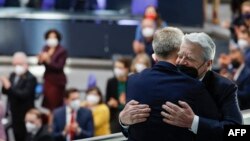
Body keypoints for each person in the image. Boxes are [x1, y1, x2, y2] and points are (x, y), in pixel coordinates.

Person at [120, 32, 243, 141]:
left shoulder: (225, 88)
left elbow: (239, 133)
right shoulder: (166, 78)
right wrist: (123, 121)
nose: (181, 61)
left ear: (208, 64)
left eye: (189, 58)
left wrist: (193, 122)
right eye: (180, 55)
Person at [0, 52, 37, 141]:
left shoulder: (31, 78)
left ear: (25, 64)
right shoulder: (13, 75)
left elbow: (23, 94)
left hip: (24, 114)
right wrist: (5, 85)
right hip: (13, 113)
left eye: (19, 64)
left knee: (24, 136)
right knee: (15, 135)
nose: (17, 67)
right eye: (15, 64)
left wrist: (9, 86)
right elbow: (6, 92)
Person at [38, 29, 67, 111]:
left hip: (57, 81)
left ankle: (54, 122)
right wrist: (40, 59)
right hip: (48, 80)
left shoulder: (62, 50)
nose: (52, 39)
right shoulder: (45, 48)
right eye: (50, 37)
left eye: (54, 37)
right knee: (48, 105)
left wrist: (48, 60)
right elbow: (40, 63)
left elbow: (59, 66)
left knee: (55, 105)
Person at [105, 57, 130, 133]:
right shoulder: (111, 82)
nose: (117, 69)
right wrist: (110, 103)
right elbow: (107, 101)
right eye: (116, 67)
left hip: (128, 112)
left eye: (120, 67)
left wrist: (124, 102)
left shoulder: (131, 81)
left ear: (126, 69)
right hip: (115, 114)